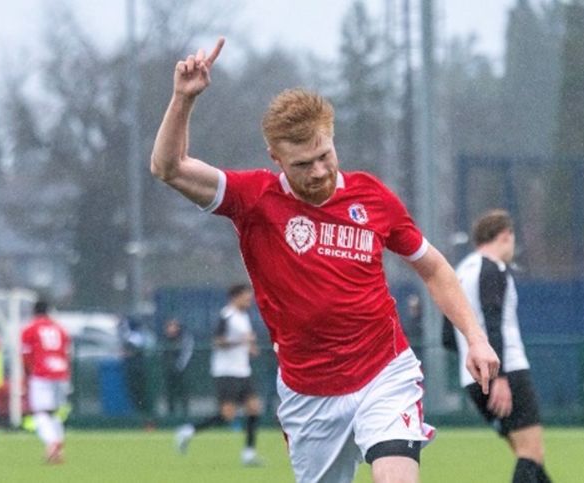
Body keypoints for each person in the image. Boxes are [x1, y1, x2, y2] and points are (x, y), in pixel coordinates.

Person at [150, 37, 499, 483]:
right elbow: (168, 168)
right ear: (276, 158)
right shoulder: (254, 198)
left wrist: (475, 338)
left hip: (384, 373)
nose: (317, 171)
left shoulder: (373, 198)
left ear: (333, 141)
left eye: (324, 156)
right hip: (309, 396)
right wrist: (183, 99)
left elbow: (433, 268)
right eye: (302, 164)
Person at [444, 210, 551, 483]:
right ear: (505, 235)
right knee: (531, 453)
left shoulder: (460, 272)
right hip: (506, 373)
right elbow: (493, 322)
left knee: (528, 457)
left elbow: (448, 335)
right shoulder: (493, 268)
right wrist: (500, 377)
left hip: (472, 378)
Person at [176, 284, 263, 466]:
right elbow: (217, 341)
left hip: (243, 370)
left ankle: (248, 453)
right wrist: (242, 341)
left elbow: (245, 341)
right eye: (246, 297)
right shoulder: (226, 315)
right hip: (226, 372)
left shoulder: (244, 316)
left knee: (254, 408)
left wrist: (251, 348)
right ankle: (188, 431)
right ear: (235, 297)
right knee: (227, 415)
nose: (249, 300)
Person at [21, 299, 71, 464]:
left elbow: (26, 356)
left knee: (39, 413)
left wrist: (28, 375)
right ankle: (59, 450)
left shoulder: (29, 329)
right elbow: (67, 352)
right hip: (61, 373)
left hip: (41, 373)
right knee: (54, 413)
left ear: (34, 312)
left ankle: (52, 443)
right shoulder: (60, 329)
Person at [161, 317, 194, 417]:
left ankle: (185, 414)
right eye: (169, 326)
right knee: (170, 393)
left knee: (183, 391)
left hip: (182, 370)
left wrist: (179, 366)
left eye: (174, 326)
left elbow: (187, 353)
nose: (171, 328)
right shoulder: (165, 339)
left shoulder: (185, 337)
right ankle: (171, 414)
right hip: (169, 370)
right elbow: (163, 354)